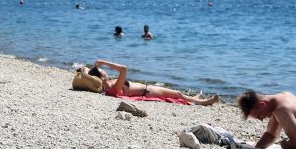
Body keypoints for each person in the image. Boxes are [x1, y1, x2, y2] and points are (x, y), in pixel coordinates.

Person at [88, 59, 219, 105]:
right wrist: (103, 62)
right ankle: (203, 102)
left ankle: (194, 99)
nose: (104, 70)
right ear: (101, 77)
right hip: (148, 92)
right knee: (178, 93)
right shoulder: (112, 88)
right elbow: (123, 69)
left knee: (178, 95)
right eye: (102, 70)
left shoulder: (109, 86)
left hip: (147, 88)